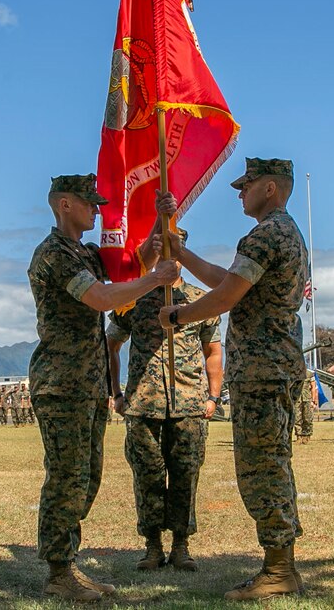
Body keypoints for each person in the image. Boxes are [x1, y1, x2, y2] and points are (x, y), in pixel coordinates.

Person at [156, 157, 308, 601]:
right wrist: (182, 253)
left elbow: (226, 296)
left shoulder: (266, 234)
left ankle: (279, 570)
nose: (240, 192)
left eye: (247, 185)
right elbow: (230, 281)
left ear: (271, 189)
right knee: (272, 463)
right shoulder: (285, 232)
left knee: (262, 468)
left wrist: (179, 315)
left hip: (262, 370)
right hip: (273, 366)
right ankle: (282, 566)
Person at [28, 173, 179, 602]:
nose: (97, 209)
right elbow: (101, 297)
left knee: (86, 477)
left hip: (86, 383)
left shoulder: (85, 252)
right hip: (62, 384)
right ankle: (58, 573)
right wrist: (153, 281)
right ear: (64, 205)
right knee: (67, 478)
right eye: (89, 202)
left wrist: (160, 223)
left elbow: (134, 266)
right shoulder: (55, 254)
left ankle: (67, 565)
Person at [107, 228, 223, 572]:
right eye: (160, 248)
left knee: (186, 475)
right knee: (148, 476)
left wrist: (213, 397)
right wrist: (116, 392)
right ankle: (153, 546)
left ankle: (181, 545)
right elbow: (110, 345)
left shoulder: (201, 300)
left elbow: (213, 351)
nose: (167, 255)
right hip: (143, 405)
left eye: (174, 248)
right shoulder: (132, 299)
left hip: (189, 404)